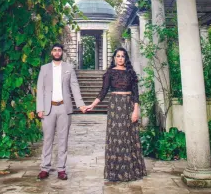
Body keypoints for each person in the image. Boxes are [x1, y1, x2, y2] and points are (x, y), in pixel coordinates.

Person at [86, 47, 147, 182]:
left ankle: (131, 171)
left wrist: (136, 110)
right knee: (116, 137)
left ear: (126, 58)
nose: (120, 58)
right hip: (115, 106)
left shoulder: (131, 73)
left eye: (123, 56)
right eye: (118, 56)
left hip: (128, 105)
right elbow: (103, 92)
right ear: (114, 58)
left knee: (129, 137)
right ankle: (116, 172)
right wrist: (92, 105)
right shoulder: (110, 73)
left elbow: (136, 93)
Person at [36, 43, 87, 180]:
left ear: (62, 52)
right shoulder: (44, 68)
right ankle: (44, 168)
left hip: (64, 108)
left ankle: (61, 169)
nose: (57, 52)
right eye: (55, 50)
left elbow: (74, 87)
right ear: (51, 52)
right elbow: (40, 89)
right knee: (47, 139)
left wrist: (80, 104)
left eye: (59, 50)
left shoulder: (68, 68)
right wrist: (39, 108)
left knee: (63, 140)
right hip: (48, 108)